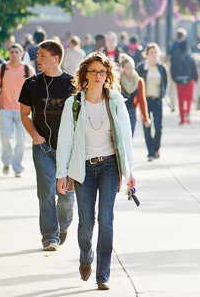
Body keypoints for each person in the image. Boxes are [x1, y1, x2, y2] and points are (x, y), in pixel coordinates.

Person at [55, 52, 136, 291]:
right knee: (86, 223)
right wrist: (62, 172)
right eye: (94, 71)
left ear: (108, 74)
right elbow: (66, 139)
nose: (99, 76)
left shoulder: (115, 101)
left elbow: (127, 139)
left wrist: (130, 171)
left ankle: (103, 275)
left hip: (110, 165)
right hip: (84, 168)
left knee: (106, 219)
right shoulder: (74, 104)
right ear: (85, 75)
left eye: (103, 71)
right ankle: (85, 255)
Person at [19, 40, 76, 251]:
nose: (38, 58)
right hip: (42, 148)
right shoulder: (31, 84)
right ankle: (49, 237)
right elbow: (24, 114)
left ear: (55, 58)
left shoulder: (72, 84)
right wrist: (35, 136)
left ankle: (63, 227)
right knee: (46, 192)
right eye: (38, 55)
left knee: (67, 196)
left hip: (67, 150)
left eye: (42, 55)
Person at [0, 43, 34, 176]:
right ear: (9, 53)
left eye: (17, 52)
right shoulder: (2, 68)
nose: (14, 54)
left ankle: (17, 167)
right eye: (12, 52)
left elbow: (33, 91)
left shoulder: (28, 69)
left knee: (21, 140)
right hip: (5, 109)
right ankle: (6, 162)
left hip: (23, 110)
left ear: (21, 53)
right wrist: (0, 106)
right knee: (5, 138)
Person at [136, 43, 168, 161]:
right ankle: (150, 152)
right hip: (145, 100)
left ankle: (156, 148)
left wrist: (162, 96)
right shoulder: (141, 67)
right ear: (147, 55)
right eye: (151, 53)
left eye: (155, 52)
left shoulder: (161, 67)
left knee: (159, 127)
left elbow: (165, 83)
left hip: (157, 101)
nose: (154, 55)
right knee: (147, 126)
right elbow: (137, 82)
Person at [119, 54, 150, 135]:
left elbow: (142, 100)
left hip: (132, 112)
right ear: (123, 69)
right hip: (120, 112)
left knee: (129, 136)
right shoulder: (118, 80)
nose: (130, 70)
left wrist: (145, 118)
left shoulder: (139, 81)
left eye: (132, 67)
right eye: (127, 68)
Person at [170, 39, 198, 125]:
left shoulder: (175, 56)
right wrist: (195, 79)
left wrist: (174, 79)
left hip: (179, 81)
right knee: (188, 100)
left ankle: (182, 118)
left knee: (181, 100)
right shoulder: (190, 57)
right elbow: (194, 70)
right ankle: (188, 115)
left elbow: (172, 69)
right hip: (189, 81)